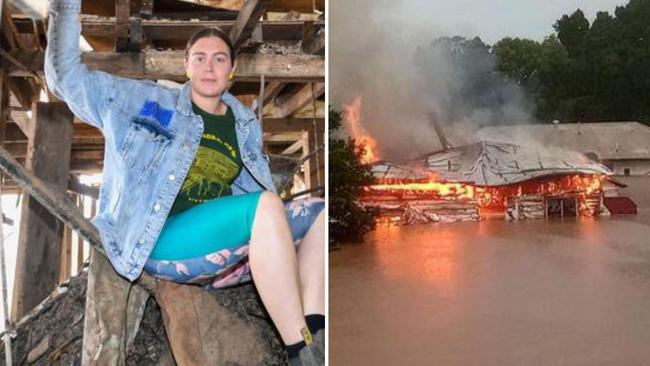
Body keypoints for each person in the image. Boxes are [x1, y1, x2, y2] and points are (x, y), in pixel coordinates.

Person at [44, 1, 325, 365]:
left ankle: (316, 332)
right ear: (186, 66)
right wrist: (64, 8)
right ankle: (301, 351)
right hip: (163, 241)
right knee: (267, 204)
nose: (209, 66)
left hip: (222, 250)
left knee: (318, 210)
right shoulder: (146, 102)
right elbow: (65, 79)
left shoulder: (244, 126)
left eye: (220, 59)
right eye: (200, 58)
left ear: (232, 70)